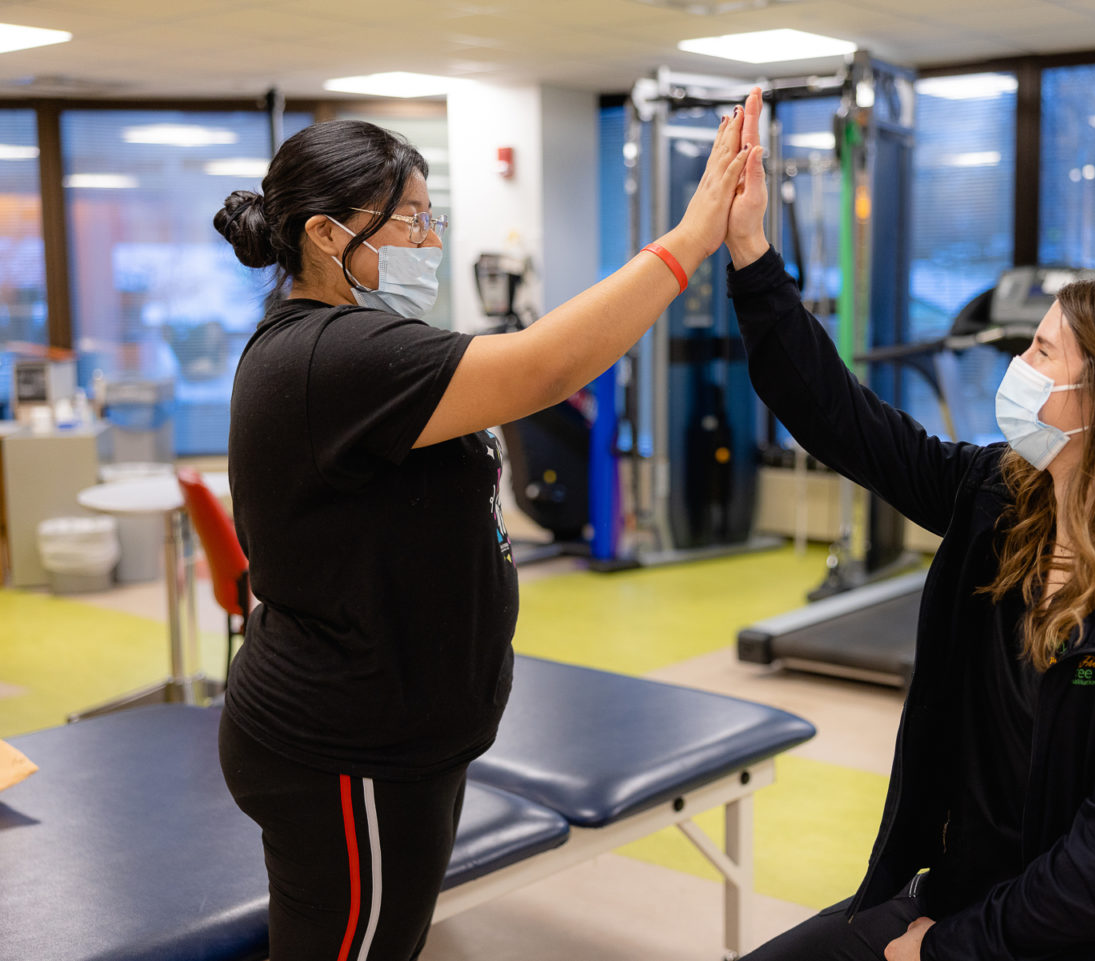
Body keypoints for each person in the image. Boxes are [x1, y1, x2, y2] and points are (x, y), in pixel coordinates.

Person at [723, 89, 1095, 961]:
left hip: (1088, 941)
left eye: (1042, 353)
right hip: (963, 895)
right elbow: (839, 418)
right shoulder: (999, 499)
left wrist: (946, 948)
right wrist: (751, 255)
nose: (1018, 366)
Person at [212, 112, 751, 960]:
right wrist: (688, 242)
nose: (430, 238)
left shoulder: (357, 344)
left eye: (434, 217)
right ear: (325, 233)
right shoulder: (332, 354)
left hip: (394, 733)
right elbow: (546, 367)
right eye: (412, 219)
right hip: (349, 747)